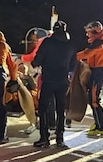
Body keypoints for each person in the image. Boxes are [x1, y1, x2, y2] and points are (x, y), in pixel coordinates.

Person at [32, 20, 76, 148]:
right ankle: (60, 138)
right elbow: (74, 63)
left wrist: (36, 64)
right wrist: (69, 72)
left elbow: (38, 59)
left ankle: (44, 138)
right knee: (61, 108)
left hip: (48, 79)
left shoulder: (48, 42)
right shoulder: (71, 44)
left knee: (43, 108)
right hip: (63, 80)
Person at [76, 20, 103, 137]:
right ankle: (98, 124)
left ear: (95, 32)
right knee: (92, 100)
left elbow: (86, 54)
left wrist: (71, 56)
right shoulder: (97, 42)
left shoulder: (99, 43)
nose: (87, 35)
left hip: (98, 73)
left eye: (89, 32)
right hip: (96, 72)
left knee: (94, 101)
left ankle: (102, 126)